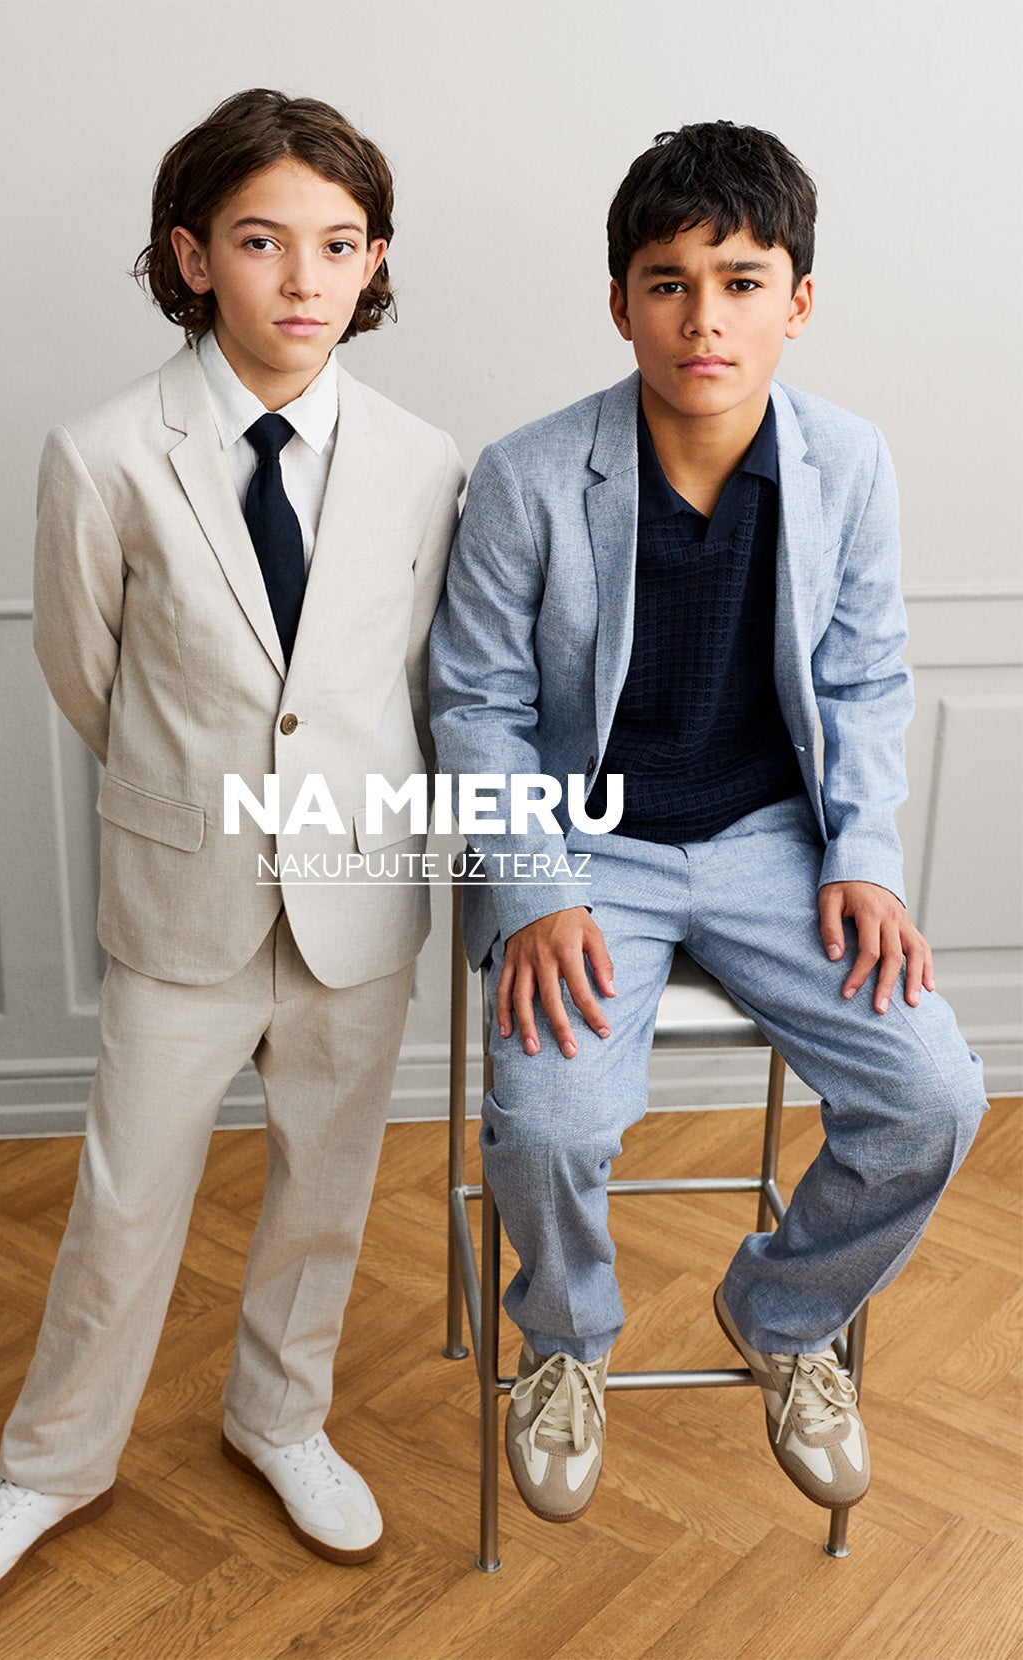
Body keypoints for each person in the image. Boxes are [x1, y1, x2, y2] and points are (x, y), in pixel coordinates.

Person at [0, 87, 463, 1619]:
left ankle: (281, 1416)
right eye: (262, 241)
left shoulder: (423, 460)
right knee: (127, 1198)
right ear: (193, 255)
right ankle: (52, 1463)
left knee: (327, 1189)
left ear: (374, 262)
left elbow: (416, 676)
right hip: (184, 893)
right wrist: (197, 795)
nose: (303, 277)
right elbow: (84, 668)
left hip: (359, 894)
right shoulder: (104, 453)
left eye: (338, 244)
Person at [430, 120, 986, 1525]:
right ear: (620, 303)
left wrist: (866, 861)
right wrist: (536, 889)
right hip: (586, 845)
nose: (703, 319)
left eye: (742, 282)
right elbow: (478, 706)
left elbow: (862, 682)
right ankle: (565, 1341)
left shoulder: (851, 463)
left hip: (769, 845)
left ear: (799, 301)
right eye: (669, 283)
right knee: (548, 1128)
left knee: (934, 1097)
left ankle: (785, 1315)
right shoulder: (528, 474)